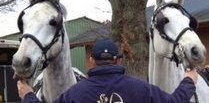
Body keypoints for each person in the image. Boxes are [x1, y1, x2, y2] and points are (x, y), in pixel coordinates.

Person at [17, 39, 198, 103]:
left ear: (91, 61)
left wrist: (28, 95)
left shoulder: (75, 95)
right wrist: (189, 80)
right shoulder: (141, 89)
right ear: (118, 60)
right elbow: (175, 101)